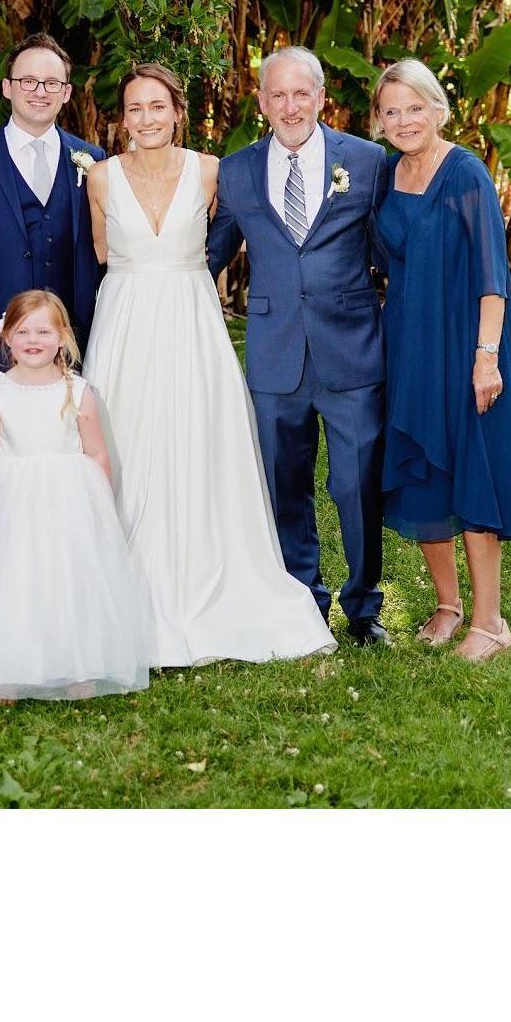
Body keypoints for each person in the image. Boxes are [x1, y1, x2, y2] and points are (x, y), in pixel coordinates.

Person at [83, 65, 334, 667]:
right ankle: (122, 590)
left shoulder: (210, 171)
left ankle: (211, 581)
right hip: (125, 323)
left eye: (157, 106)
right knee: (126, 444)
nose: (146, 118)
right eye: (134, 108)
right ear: (123, 118)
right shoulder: (100, 177)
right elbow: (101, 250)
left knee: (196, 442)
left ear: (177, 111)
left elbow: (236, 235)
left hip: (191, 323)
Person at [207, 46, 393, 644]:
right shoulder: (235, 172)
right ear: (261, 103)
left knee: (355, 484)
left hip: (352, 350)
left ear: (321, 98)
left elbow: (395, 255)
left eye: (301, 94)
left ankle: (363, 608)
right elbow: (206, 257)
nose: (290, 106)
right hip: (274, 352)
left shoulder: (366, 162)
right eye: (277, 95)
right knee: (284, 483)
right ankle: (302, 599)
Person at [371, 58, 511, 661]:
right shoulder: (386, 173)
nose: (405, 120)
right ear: (379, 120)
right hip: (408, 344)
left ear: (439, 110)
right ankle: (448, 605)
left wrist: (486, 358)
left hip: (466, 342)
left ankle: (490, 622)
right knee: (422, 470)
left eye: (416, 108)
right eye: (392, 111)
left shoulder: (466, 172)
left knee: (472, 472)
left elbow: (494, 276)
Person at [0, 292, 152, 703]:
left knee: (70, 583)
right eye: (22, 331)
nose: (33, 340)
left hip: (69, 506)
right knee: (14, 583)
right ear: (6, 336)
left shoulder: (78, 391)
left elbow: (96, 452)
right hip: (13, 507)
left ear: (62, 338)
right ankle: (6, 669)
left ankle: (78, 664)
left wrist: (100, 506)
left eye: (43, 331)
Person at [0, 34, 104, 424]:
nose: (40, 91)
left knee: (68, 450)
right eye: (28, 81)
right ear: (8, 87)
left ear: (66, 93)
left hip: (72, 339)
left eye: (52, 83)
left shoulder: (93, 161)